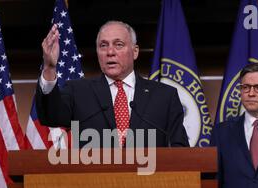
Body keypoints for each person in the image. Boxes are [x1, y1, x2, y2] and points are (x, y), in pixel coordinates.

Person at [36, 20, 189, 148]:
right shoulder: (78, 91)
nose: (110, 52)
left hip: (150, 180)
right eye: (103, 45)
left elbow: (180, 151)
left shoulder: (164, 96)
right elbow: (50, 116)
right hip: (95, 182)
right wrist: (49, 67)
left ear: (135, 52)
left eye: (118, 44)